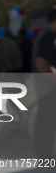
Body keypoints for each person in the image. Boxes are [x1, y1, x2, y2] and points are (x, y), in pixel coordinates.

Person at [32, 9, 56, 164]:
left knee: (45, 124)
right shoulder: (49, 36)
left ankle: (45, 159)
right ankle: (45, 160)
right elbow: (41, 63)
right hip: (49, 89)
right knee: (47, 124)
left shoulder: (45, 35)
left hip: (44, 88)